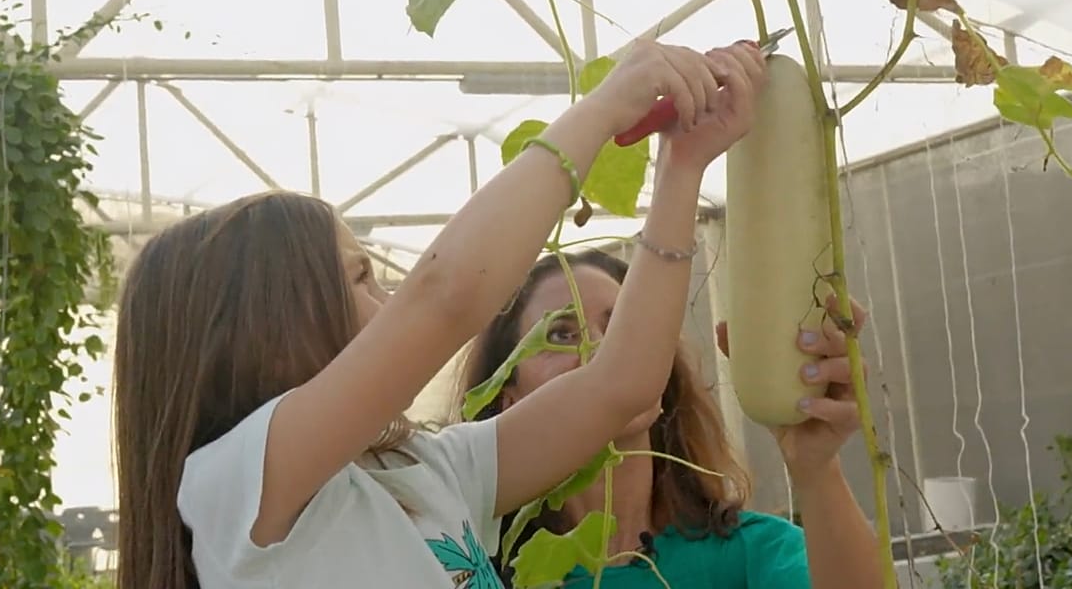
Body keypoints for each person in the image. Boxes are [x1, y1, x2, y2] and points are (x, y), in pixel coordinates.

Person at [111, 38, 768, 589]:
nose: (393, 299)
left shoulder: (421, 471)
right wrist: (599, 113)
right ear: (266, 329)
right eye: (361, 277)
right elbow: (445, 296)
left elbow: (619, 387)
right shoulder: (236, 485)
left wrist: (682, 167)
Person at [459, 249, 884, 589]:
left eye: (623, 328)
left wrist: (815, 469)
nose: (601, 349)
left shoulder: (753, 553)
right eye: (561, 334)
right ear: (506, 398)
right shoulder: (472, 571)